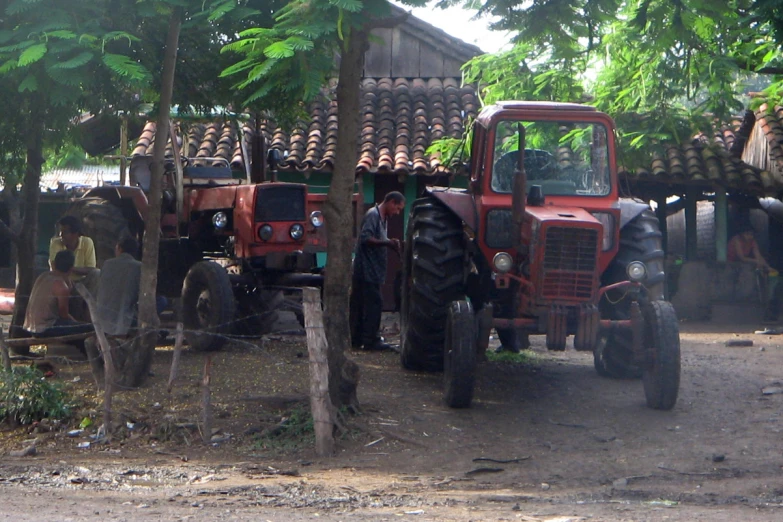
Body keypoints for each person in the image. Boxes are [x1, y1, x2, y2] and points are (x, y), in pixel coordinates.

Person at [350, 191, 406, 351]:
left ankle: (358, 338)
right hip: (366, 270)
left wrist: (389, 242)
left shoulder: (383, 219)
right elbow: (365, 238)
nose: (397, 212)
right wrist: (386, 244)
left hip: (374, 270)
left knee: (362, 304)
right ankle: (371, 340)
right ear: (391, 202)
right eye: (398, 208)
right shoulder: (373, 215)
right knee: (374, 304)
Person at [23, 250, 93, 339]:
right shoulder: (61, 286)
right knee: (90, 328)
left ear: (54, 264)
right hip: (44, 329)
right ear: (71, 269)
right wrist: (77, 324)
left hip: (29, 326)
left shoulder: (43, 276)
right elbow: (64, 315)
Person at [49, 215, 100, 319]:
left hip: (81, 282)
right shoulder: (55, 242)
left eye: (64, 232)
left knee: (97, 273)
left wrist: (70, 269)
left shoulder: (87, 242)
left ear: (75, 234)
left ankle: (89, 311)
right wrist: (68, 278)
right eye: (60, 231)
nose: (61, 235)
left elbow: (91, 269)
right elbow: (55, 269)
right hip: (61, 282)